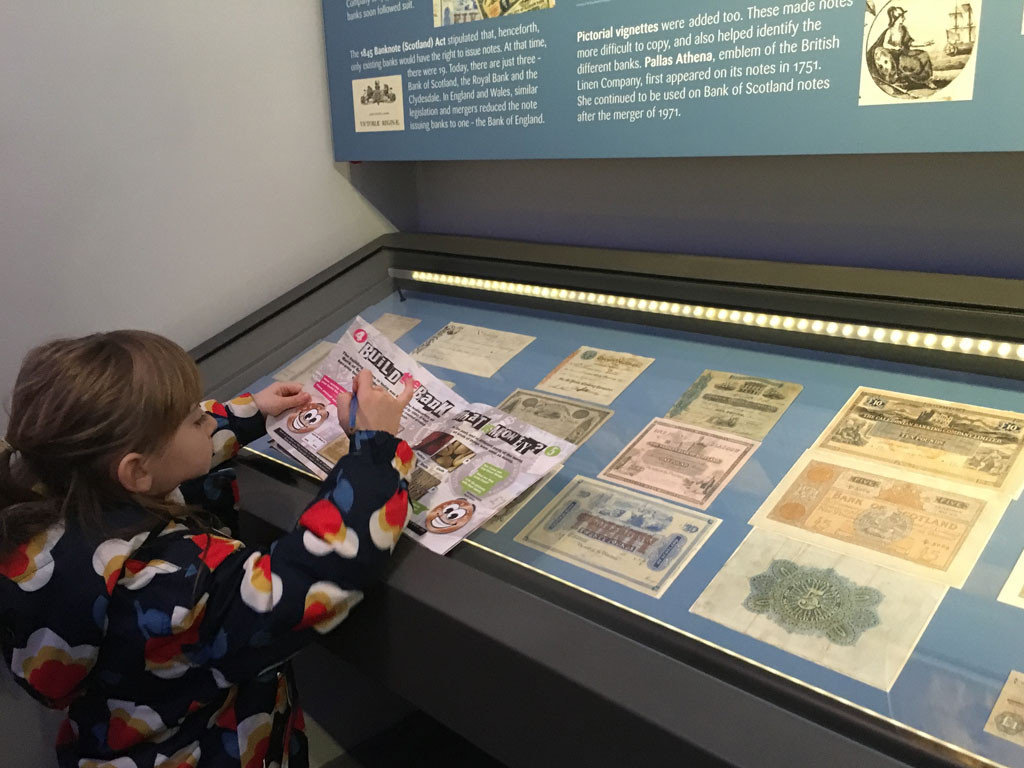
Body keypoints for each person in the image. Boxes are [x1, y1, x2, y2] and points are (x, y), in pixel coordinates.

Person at [0, 330, 415, 767]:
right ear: (136, 471)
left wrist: (250, 413)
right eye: (196, 418)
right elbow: (313, 578)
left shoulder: (50, 506)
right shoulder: (168, 587)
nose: (208, 420)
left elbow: (161, 455)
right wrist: (376, 449)